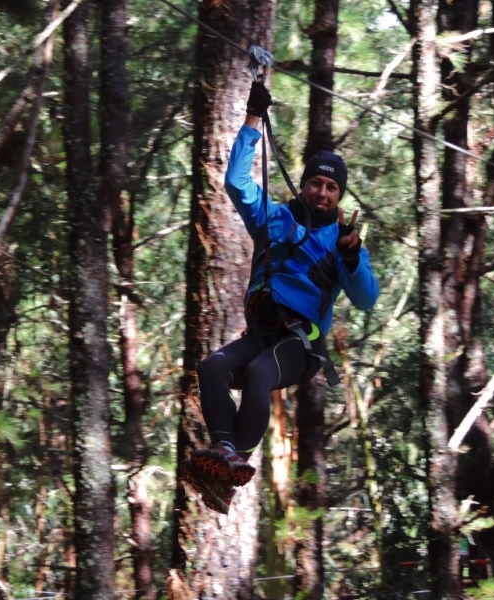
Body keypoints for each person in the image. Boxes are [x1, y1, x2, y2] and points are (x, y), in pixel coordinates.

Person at [183, 80, 379, 514]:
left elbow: (366, 299)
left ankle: (235, 462)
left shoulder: (341, 240)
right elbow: (236, 181)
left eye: (332, 188)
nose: (323, 193)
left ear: (339, 196)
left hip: (300, 343)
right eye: (316, 183)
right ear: (305, 184)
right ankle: (223, 458)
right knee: (212, 367)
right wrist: (253, 118)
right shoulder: (274, 218)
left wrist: (351, 257)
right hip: (262, 332)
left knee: (257, 373)